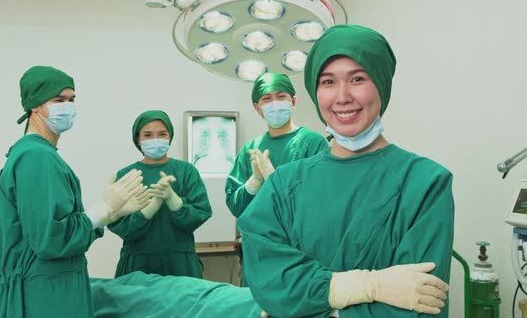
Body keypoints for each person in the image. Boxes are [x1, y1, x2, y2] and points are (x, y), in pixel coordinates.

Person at [238, 25, 455, 317]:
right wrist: (365, 287)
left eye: (357, 79)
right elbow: (269, 282)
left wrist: (305, 305)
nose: (342, 97)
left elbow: (420, 305)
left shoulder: (425, 183)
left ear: (381, 84)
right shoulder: (284, 185)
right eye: (328, 82)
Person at [0, 66, 150, 317]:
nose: (67, 106)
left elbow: (52, 229)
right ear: (35, 105)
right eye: (58, 100)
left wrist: (110, 215)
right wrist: (103, 209)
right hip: (44, 298)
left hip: (49, 290)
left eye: (72, 99)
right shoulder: (36, 156)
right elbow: (50, 239)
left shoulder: (38, 154)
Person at [108, 110, 212, 278]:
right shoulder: (127, 175)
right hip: (138, 265)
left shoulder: (186, 171)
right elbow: (120, 226)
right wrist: (148, 210)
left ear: (170, 137)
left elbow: (201, 213)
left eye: (162, 134)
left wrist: (174, 201)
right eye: (147, 135)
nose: (155, 139)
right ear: (138, 139)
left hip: (180, 264)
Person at [225, 72, 328, 219]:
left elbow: (323, 199)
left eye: (281, 97)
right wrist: (254, 181)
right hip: (259, 238)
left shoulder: (312, 143)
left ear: (293, 102)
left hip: (299, 239)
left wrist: (275, 180)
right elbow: (236, 207)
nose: (274, 103)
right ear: (258, 108)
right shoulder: (250, 150)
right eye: (266, 99)